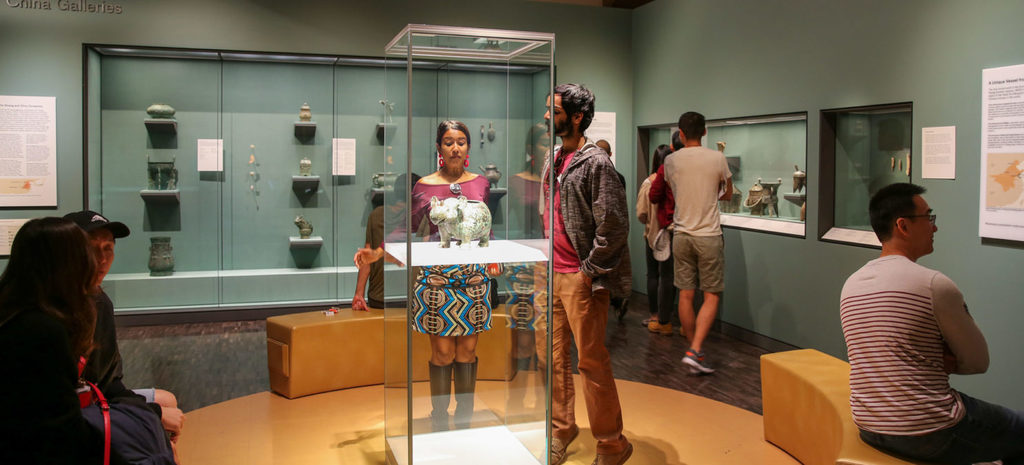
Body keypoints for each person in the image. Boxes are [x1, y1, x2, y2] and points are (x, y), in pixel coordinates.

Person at [840, 183, 1023, 465]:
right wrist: (940, 359)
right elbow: (978, 362)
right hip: (928, 429)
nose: (934, 227)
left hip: (869, 424)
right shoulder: (933, 285)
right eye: (928, 217)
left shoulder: (851, 285)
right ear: (903, 225)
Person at [355, 120, 494, 431]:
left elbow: (486, 226)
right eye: (448, 142)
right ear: (439, 147)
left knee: (468, 350)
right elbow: (405, 229)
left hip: (473, 276)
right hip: (437, 277)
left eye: (461, 142)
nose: (455, 147)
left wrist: (495, 255)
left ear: (468, 147)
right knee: (443, 352)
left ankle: (465, 418)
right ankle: (440, 418)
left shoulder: (481, 183)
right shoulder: (425, 186)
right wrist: (377, 253)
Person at [540, 83, 633, 465]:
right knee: (554, 359)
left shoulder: (596, 162)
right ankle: (561, 428)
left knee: (591, 362)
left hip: (581, 279)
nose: (547, 116)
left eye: (556, 111)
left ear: (578, 117)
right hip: (553, 274)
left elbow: (614, 225)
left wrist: (588, 272)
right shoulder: (553, 158)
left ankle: (612, 443)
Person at [64, 210, 186, 441]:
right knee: (159, 430)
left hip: (95, 397)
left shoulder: (100, 302)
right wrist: (152, 416)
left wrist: (152, 413)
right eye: (91, 248)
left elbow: (109, 381)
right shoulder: (55, 310)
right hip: (74, 411)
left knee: (166, 402)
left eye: (108, 248)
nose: (102, 259)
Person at [0, 217, 104, 463]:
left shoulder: (15, 315)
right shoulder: (42, 331)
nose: (97, 260)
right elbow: (60, 432)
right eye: (88, 252)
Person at [659, 112, 732, 374]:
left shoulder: (670, 160)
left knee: (685, 294)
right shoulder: (718, 158)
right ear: (705, 132)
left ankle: (693, 352)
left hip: (681, 234)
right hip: (709, 234)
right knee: (711, 295)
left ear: (680, 133)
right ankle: (695, 350)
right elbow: (728, 193)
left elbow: (672, 188)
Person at [351, 173, 421, 311]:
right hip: (413, 298)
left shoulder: (376, 214)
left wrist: (359, 294)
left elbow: (366, 259)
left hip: (378, 297)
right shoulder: (420, 217)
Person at [637, 144, 675, 335]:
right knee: (669, 277)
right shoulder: (675, 181)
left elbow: (641, 213)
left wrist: (649, 221)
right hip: (672, 233)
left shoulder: (648, 182)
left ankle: (654, 316)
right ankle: (666, 317)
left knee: (653, 275)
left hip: (652, 235)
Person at [594, 139, 630, 322]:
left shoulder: (593, 176)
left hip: (599, 231)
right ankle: (616, 299)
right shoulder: (619, 177)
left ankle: (609, 300)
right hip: (614, 231)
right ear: (610, 154)